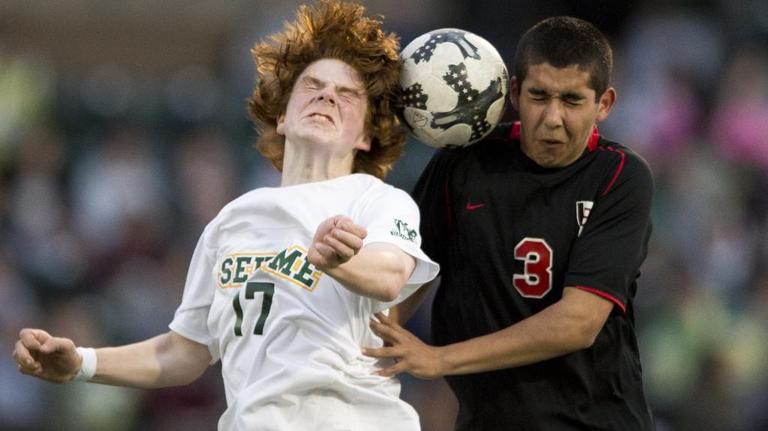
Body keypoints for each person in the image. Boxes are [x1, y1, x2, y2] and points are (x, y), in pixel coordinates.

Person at [12, 1, 439, 430]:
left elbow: (389, 277)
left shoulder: (377, 200)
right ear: (282, 117)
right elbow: (184, 352)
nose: (327, 96)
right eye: (311, 86)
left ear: (366, 135)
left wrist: (341, 262)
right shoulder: (233, 220)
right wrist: (80, 364)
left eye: (347, 95)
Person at [364, 16, 655, 430]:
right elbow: (411, 272)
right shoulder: (463, 162)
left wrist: (439, 357)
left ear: (604, 104)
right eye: (539, 96)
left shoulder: (620, 176)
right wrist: (355, 345)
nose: (553, 118)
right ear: (514, 92)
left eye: (572, 100)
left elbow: (578, 323)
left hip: (595, 422)